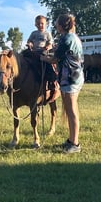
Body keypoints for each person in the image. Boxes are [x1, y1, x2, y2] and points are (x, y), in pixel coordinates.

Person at [40, 13, 84, 153]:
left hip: (70, 78)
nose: (55, 26)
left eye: (57, 23)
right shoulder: (72, 37)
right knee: (71, 111)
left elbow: (54, 59)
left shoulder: (67, 39)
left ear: (61, 26)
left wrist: (43, 58)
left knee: (71, 112)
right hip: (72, 77)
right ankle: (71, 140)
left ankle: (75, 144)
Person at [25, 15, 60, 103]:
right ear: (35, 25)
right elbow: (29, 41)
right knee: (24, 56)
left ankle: (52, 81)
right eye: (38, 24)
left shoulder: (47, 34)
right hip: (34, 52)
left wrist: (47, 47)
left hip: (43, 52)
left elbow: (50, 42)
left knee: (47, 64)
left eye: (42, 23)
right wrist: (29, 44)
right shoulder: (34, 33)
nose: (40, 25)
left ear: (46, 24)